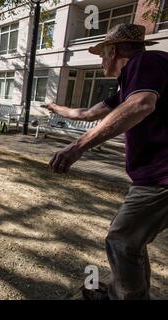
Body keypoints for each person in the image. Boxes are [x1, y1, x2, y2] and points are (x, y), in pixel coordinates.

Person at [44, 24, 168, 300]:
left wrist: (77, 147)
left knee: (122, 239)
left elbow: (141, 104)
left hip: (161, 179)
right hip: (152, 179)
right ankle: (124, 293)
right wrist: (55, 108)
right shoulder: (129, 84)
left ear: (113, 51)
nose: (101, 61)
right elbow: (88, 113)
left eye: (102, 54)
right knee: (130, 240)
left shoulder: (145, 62)